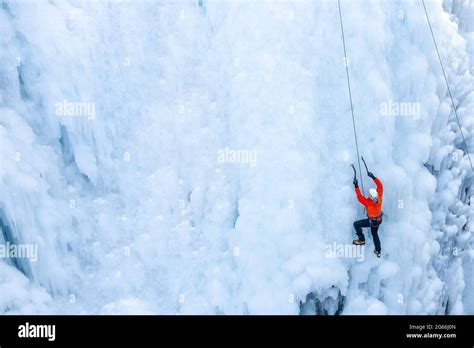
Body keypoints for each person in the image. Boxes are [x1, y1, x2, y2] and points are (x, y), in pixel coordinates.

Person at [352, 172, 383, 258]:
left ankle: (361, 239)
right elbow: (380, 186)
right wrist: (373, 177)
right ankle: (378, 250)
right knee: (375, 234)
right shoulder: (379, 197)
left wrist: (356, 186)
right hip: (379, 220)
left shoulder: (368, 203)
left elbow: (359, 197)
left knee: (356, 224)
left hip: (372, 222)